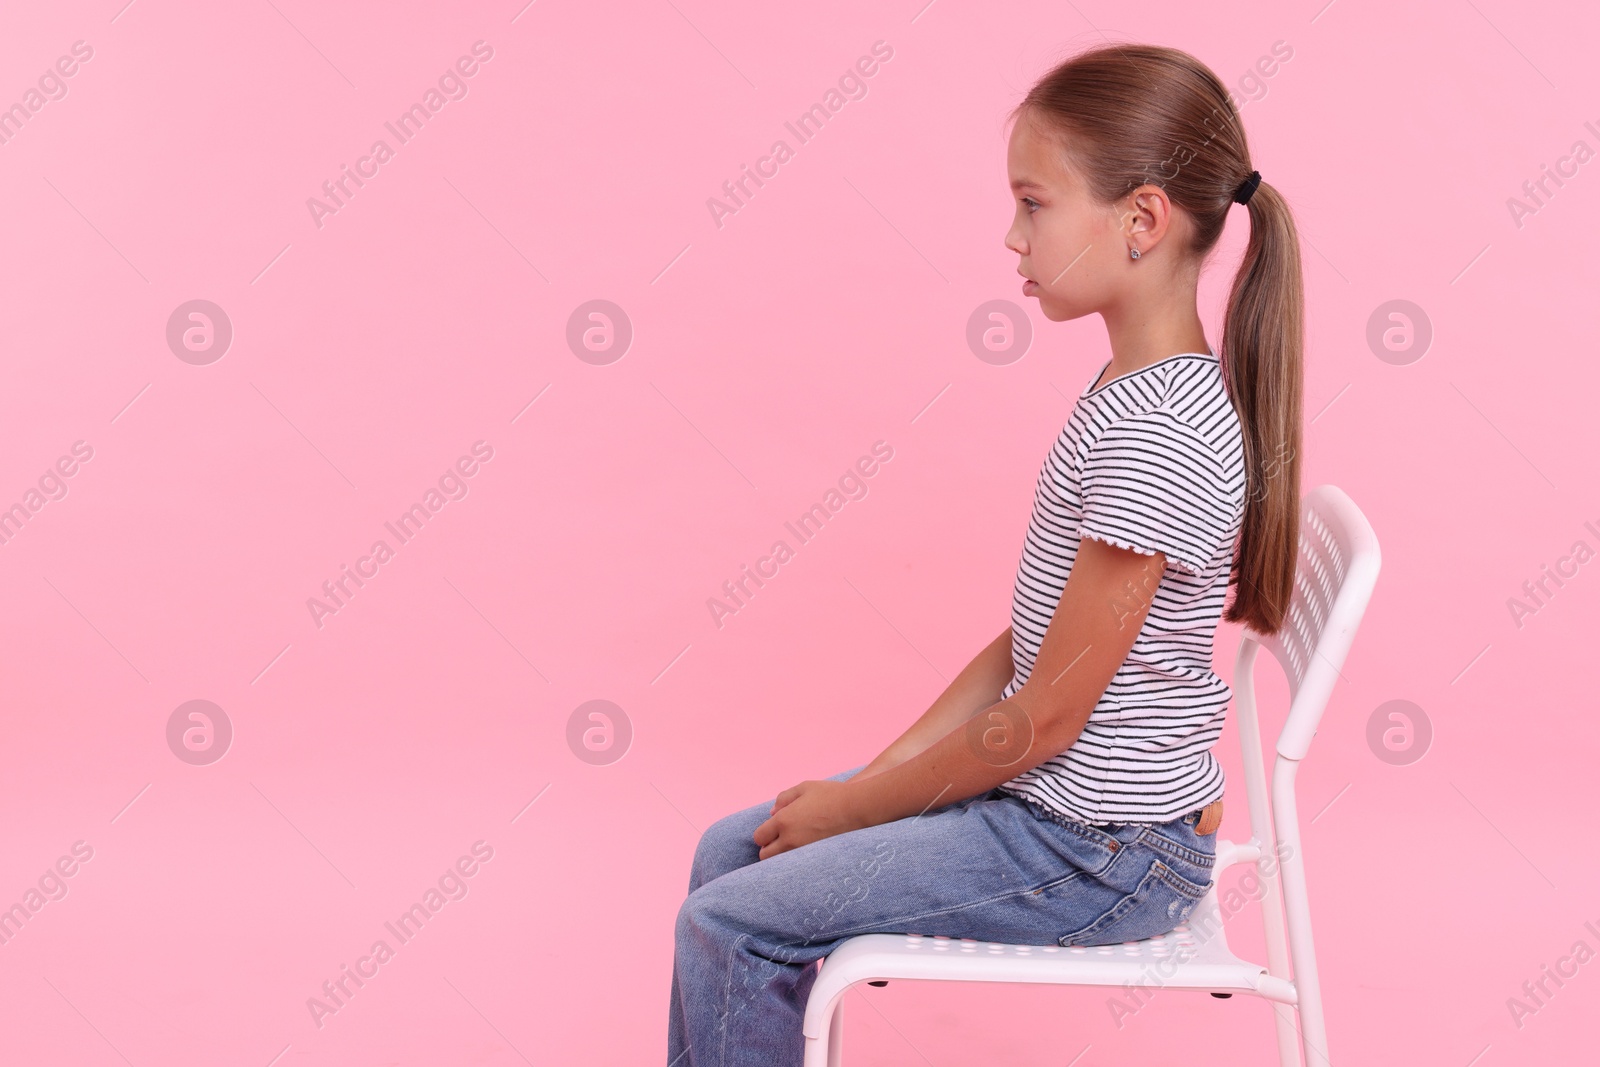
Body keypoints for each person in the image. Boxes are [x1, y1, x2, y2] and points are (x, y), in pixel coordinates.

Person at [667, 41, 1305, 1067]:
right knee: (727, 852)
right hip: (1062, 816)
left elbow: (1043, 716)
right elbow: (1030, 648)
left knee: (730, 921)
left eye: (1034, 204)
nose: (1012, 235)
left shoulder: (1162, 432)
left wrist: (857, 806)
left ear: (1141, 219)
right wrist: (874, 778)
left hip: (1097, 856)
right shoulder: (1131, 394)